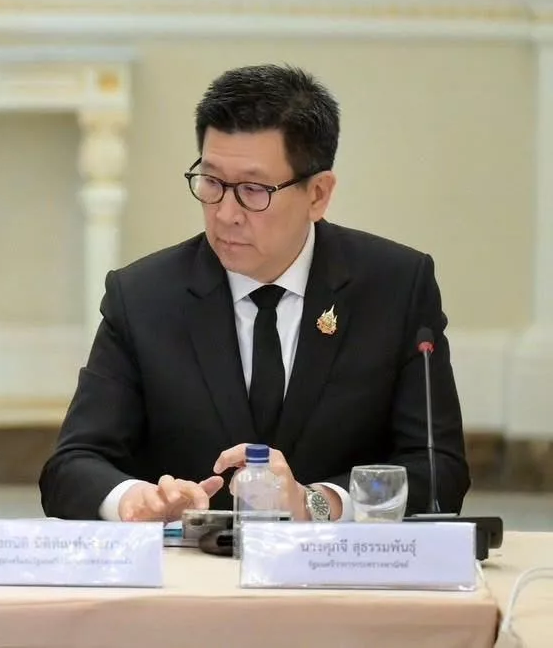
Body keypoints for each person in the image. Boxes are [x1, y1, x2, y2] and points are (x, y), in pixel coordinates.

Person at [39, 64, 468, 522]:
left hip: (338, 561)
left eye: (253, 189)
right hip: (190, 563)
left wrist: (317, 503)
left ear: (318, 194)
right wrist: (134, 499)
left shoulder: (395, 287)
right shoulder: (143, 297)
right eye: (212, 182)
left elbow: (437, 470)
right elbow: (72, 466)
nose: (226, 213)